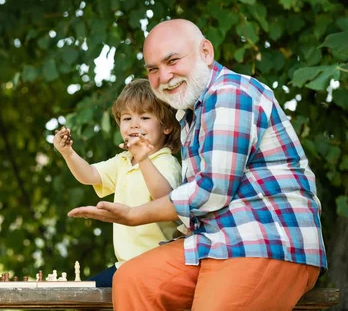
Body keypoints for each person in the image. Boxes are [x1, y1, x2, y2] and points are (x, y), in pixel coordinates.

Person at [68, 19, 327, 310]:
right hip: (213, 243)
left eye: (173, 60)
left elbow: (212, 191)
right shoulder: (189, 115)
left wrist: (133, 214)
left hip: (263, 240)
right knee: (132, 279)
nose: (164, 76)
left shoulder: (231, 93)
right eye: (153, 69)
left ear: (205, 52)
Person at [54, 79, 181, 287]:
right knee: (83, 299)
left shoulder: (166, 162)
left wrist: (143, 159)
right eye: (127, 118)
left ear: (166, 126)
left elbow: (165, 199)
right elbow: (90, 175)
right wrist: (67, 153)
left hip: (157, 265)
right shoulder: (123, 161)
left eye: (145, 117)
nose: (134, 124)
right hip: (125, 265)